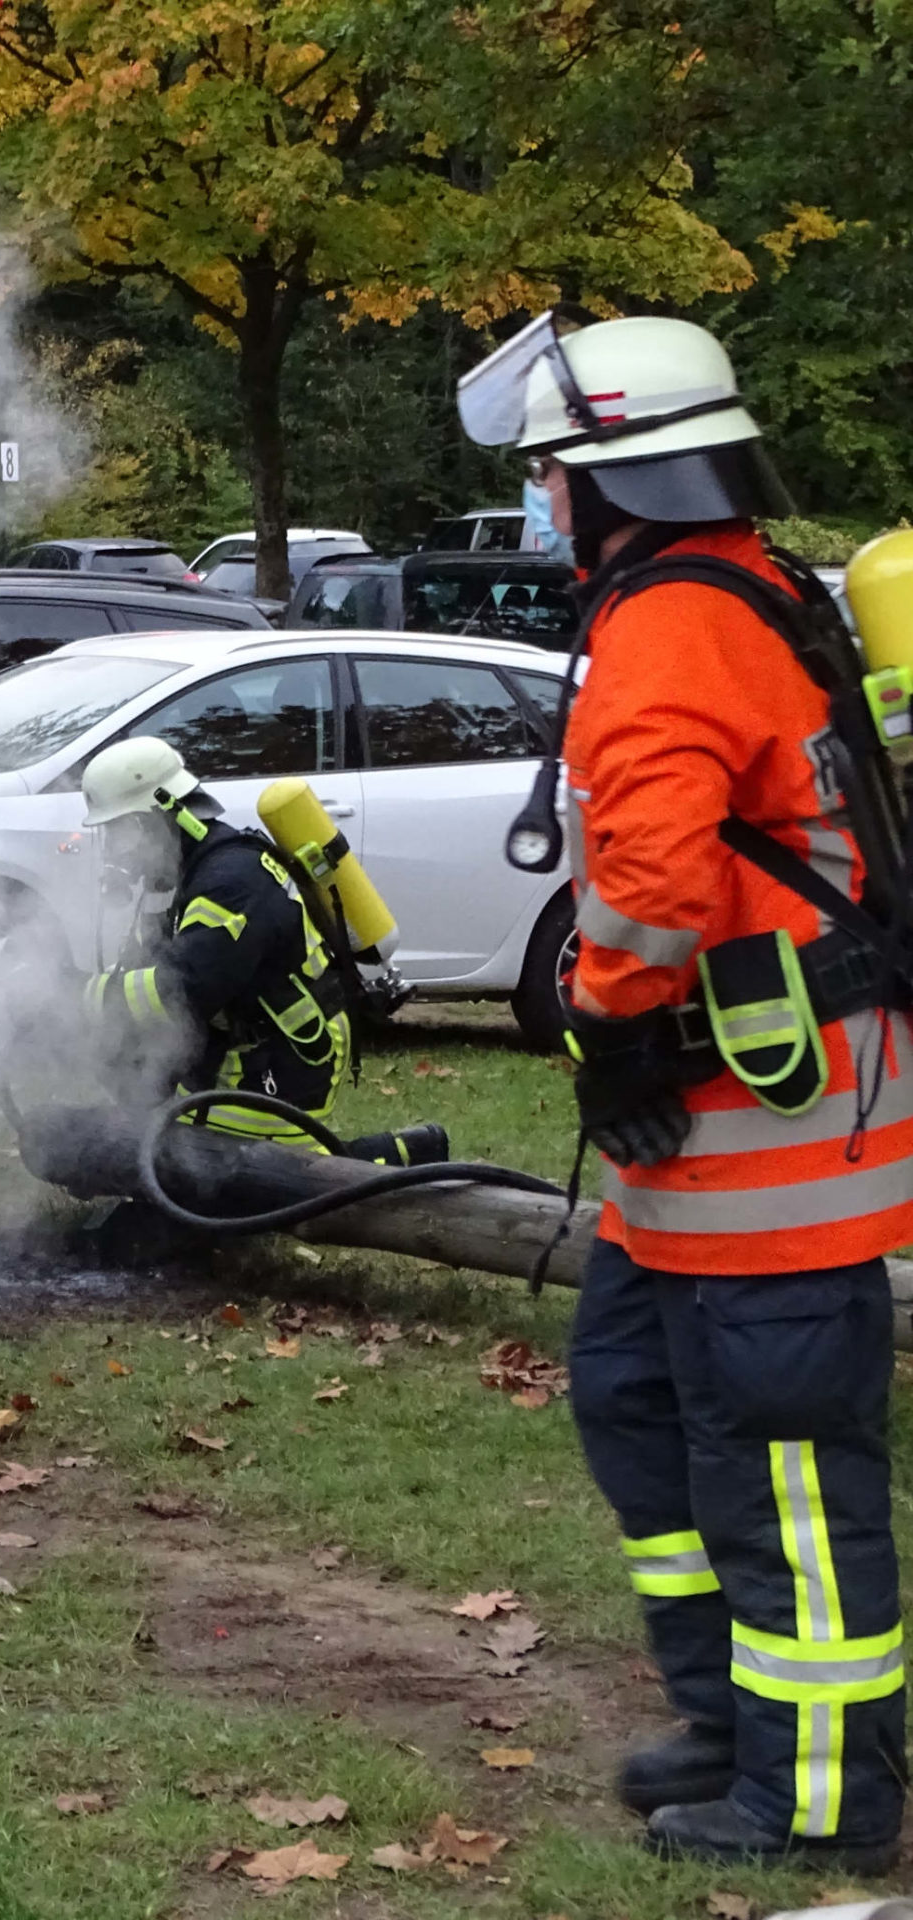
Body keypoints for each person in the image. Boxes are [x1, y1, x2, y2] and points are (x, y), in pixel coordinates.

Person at [463, 310, 912, 1869]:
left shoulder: (670, 625)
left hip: (765, 1139)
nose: (538, 502)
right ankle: (731, 1717)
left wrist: (615, 1017)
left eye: (546, 474)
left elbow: (650, 885)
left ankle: (819, 1798)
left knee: (780, 1463)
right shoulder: (729, 592)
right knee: (641, 1403)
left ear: (610, 478)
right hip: (711, 1146)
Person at [75, 735, 444, 1166]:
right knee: (174, 1152)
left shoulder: (232, 881)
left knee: (251, 1175)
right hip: (234, 1040)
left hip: (291, 1050)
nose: (115, 850)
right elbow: (144, 971)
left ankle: (408, 1152)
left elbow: (180, 989)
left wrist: (74, 997)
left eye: (117, 831)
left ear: (148, 822)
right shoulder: (175, 877)